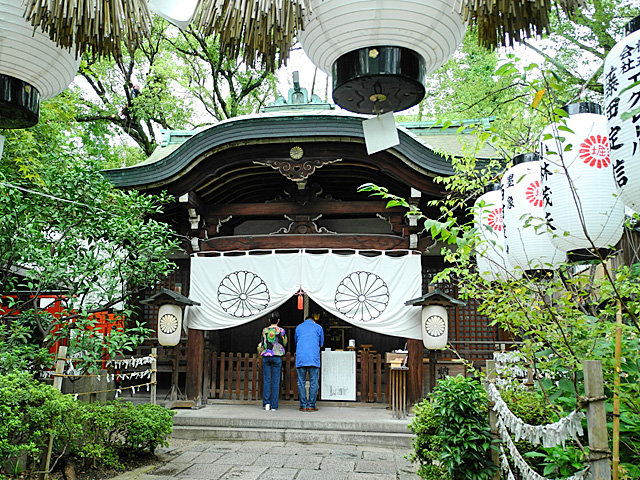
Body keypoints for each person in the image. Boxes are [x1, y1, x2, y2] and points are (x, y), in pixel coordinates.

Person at [295, 316, 324, 412]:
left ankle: (303, 405)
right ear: (314, 321)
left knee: (301, 382)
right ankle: (311, 405)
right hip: (313, 358)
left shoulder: (298, 327)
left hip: (301, 357)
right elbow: (321, 344)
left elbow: (296, 342)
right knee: (314, 382)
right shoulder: (319, 327)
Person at [259, 311, 287, 411]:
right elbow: (284, 342)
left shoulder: (265, 330)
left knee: (267, 380)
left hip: (266, 355)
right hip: (277, 356)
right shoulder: (281, 330)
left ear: (269, 320)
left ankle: (266, 403)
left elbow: (262, 342)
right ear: (278, 320)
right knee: (276, 381)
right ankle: (274, 405)